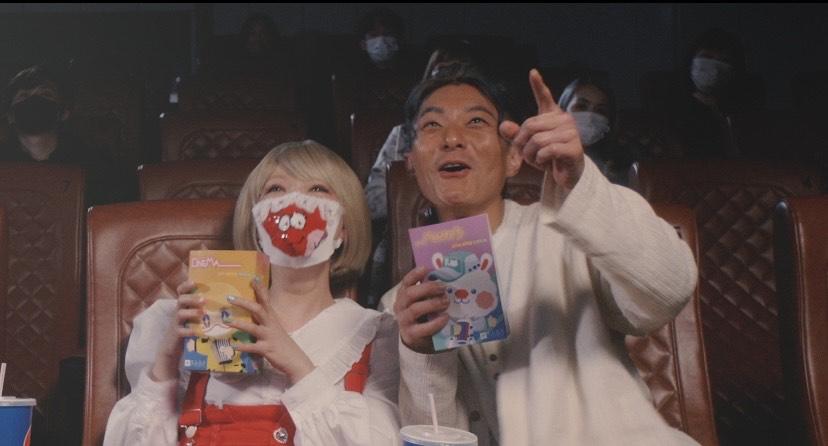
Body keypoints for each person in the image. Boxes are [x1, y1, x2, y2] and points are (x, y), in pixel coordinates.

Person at [379, 67, 699, 445]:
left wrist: (579, 181)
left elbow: (670, 290)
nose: (452, 138)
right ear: (411, 162)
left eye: (476, 121)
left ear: (513, 157)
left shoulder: (570, 229)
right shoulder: (401, 306)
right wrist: (423, 353)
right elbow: (437, 437)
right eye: (432, 125)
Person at [104, 140, 400, 445]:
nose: (294, 202)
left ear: (344, 229)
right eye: (276, 189)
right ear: (255, 222)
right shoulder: (179, 319)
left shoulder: (374, 333)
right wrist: (165, 364)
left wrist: (299, 366)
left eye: (317, 189)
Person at [0, 64, 132, 205]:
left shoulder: (96, 166)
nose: (34, 101)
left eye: (45, 94)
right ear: (10, 115)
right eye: (24, 96)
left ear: (64, 112)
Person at [667, 28, 758, 159]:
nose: (714, 67)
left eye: (723, 60)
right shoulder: (675, 113)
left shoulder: (744, 116)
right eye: (707, 57)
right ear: (691, 62)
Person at [558, 77, 635, 186]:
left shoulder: (621, 166)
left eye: (600, 110)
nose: (590, 117)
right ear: (563, 109)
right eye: (581, 106)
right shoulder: (543, 158)